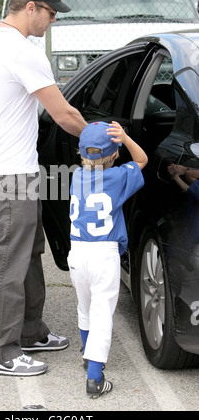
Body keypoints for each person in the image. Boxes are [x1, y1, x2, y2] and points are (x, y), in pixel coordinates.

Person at [0, 0, 87, 376]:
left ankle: (30, 331)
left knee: (29, 253)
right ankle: (0, 353)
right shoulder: (23, 51)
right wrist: (100, 138)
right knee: (9, 262)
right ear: (30, 8)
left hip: (8, 167)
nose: (53, 20)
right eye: (51, 13)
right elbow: (63, 114)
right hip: (13, 175)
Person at [68, 121, 147, 397]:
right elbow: (142, 159)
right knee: (103, 314)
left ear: (81, 154)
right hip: (104, 254)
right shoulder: (117, 177)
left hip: (77, 253)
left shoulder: (76, 176)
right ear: (113, 155)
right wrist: (124, 137)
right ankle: (94, 379)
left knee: (85, 306)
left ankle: (87, 356)